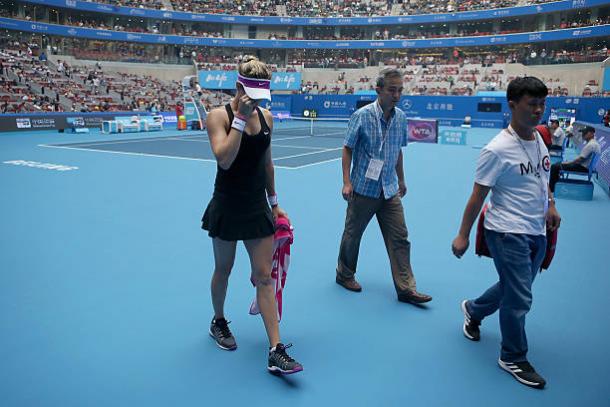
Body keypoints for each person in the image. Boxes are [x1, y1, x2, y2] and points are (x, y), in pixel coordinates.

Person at [451, 76, 561, 389]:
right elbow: (477, 196)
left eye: (542, 104)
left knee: (514, 286)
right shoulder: (496, 149)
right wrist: (462, 235)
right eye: (531, 104)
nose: (538, 110)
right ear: (512, 105)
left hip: (537, 230)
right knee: (520, 297)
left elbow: (542, 177)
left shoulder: (539, 137)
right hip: (506, 231)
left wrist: (550, 205)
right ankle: (513, 356)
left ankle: (474, 309)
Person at [202, 56, 302, 375]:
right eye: (252, 97)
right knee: (224, 268)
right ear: (238, 88)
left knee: (263, 276)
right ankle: (218, 321)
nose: (256, 103)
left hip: (257, 206)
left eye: (260, 98)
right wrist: (240, 120)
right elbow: (225, 160)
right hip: (227, 203)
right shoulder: (217, 116)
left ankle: (275, 349)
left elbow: (267, 163)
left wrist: (274, 203)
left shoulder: (268, 117)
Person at [335, 68, 432, 304]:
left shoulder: (400, 117)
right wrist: (346, 182)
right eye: (392, 90)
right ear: (378, 89)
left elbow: (397, 151)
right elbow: (347, 148)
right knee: (352, 234)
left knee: (400, 237)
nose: (397, 95)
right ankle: (344, 274)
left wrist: (401, 179)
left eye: (400, 90)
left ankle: (406, 288)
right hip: (363, 189)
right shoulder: (362, 115)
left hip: (389, 190)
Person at [549, 126, 600, 192]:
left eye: (585, 132)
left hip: (582, 168)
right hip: (585, 167)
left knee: (555, 166)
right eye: (583, 132)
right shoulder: (595, 144)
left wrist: (567, 163)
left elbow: (580, 159)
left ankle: (551, 189)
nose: (583, 134)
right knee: (558, 165)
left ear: (591, 133)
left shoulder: (591, 145)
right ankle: (556, 185)